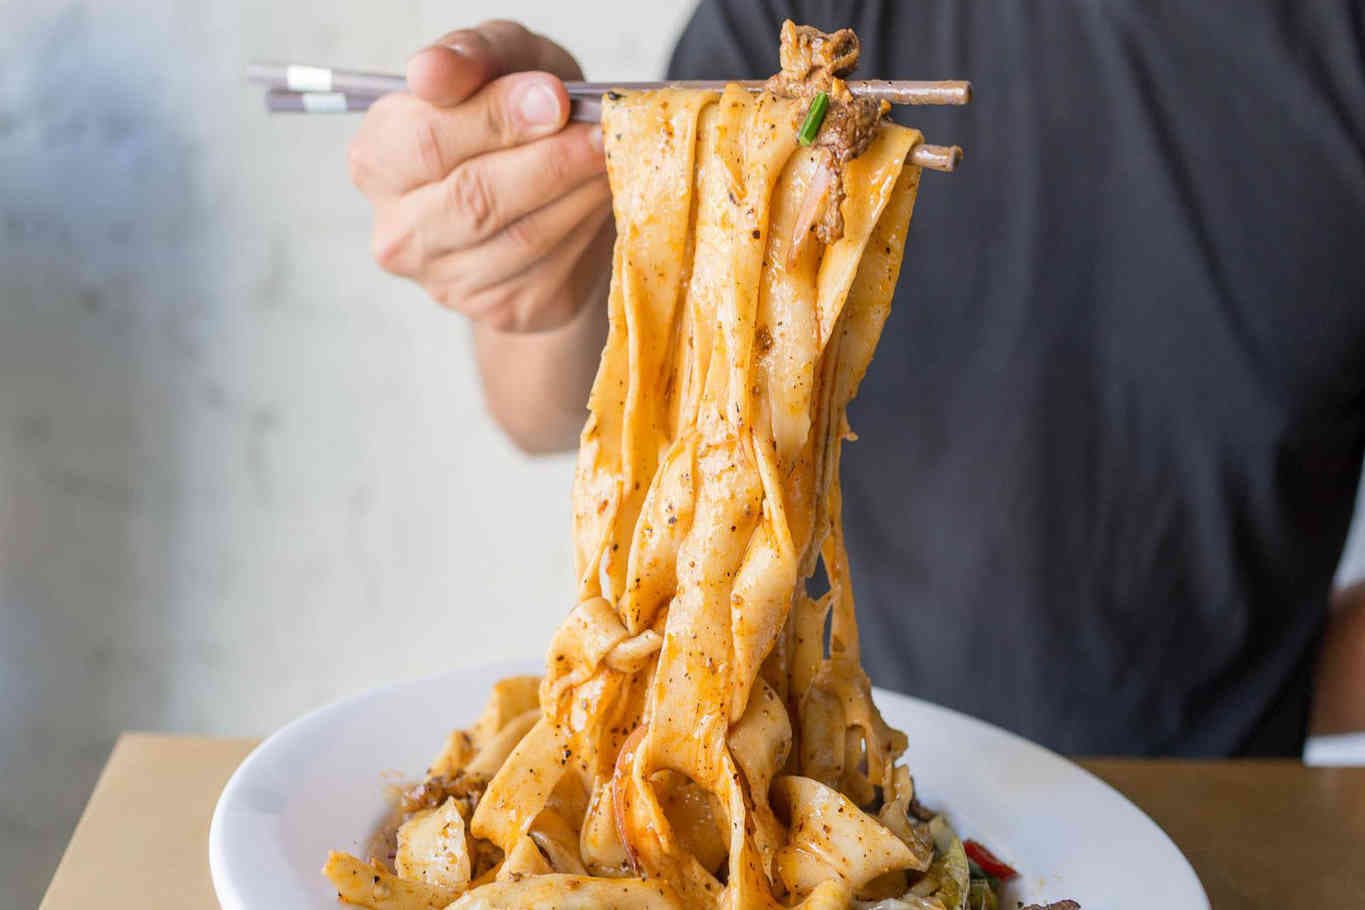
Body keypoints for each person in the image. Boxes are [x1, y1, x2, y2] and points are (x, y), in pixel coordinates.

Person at [346, 4, 1365, 756]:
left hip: (1220, 812)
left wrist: (1267, 696)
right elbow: (538, 411)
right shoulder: (803, 13)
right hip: (796, 754)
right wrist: (541, 265)